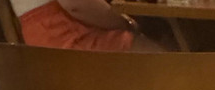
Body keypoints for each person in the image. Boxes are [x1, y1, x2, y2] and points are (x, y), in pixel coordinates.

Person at [10, 0, 165, 52]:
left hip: (41, 46)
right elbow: (76, 5)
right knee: (157, 54)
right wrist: (127, 24)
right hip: (68, 39)